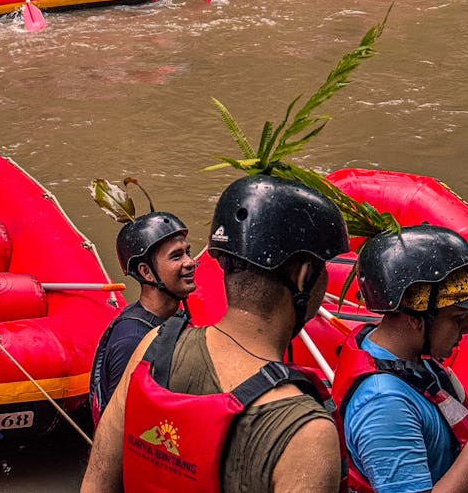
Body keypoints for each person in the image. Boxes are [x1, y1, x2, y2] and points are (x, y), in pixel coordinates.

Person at [81, 173, 349, 493]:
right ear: (303, 275)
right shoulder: (306, 432)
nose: (189, 263)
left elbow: (96, 481)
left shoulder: (153, 347)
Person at [332, 224, 468, 493]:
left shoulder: (410, 358)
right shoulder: (384, 404)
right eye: (457, 320)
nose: (466, 330)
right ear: (415, 318)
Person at [89, 212, 196, 425]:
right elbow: (120, 426)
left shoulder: (171, 318)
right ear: (147, 272)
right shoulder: (132, 339)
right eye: (176, 256)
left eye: (188, 252)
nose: (190, 262)